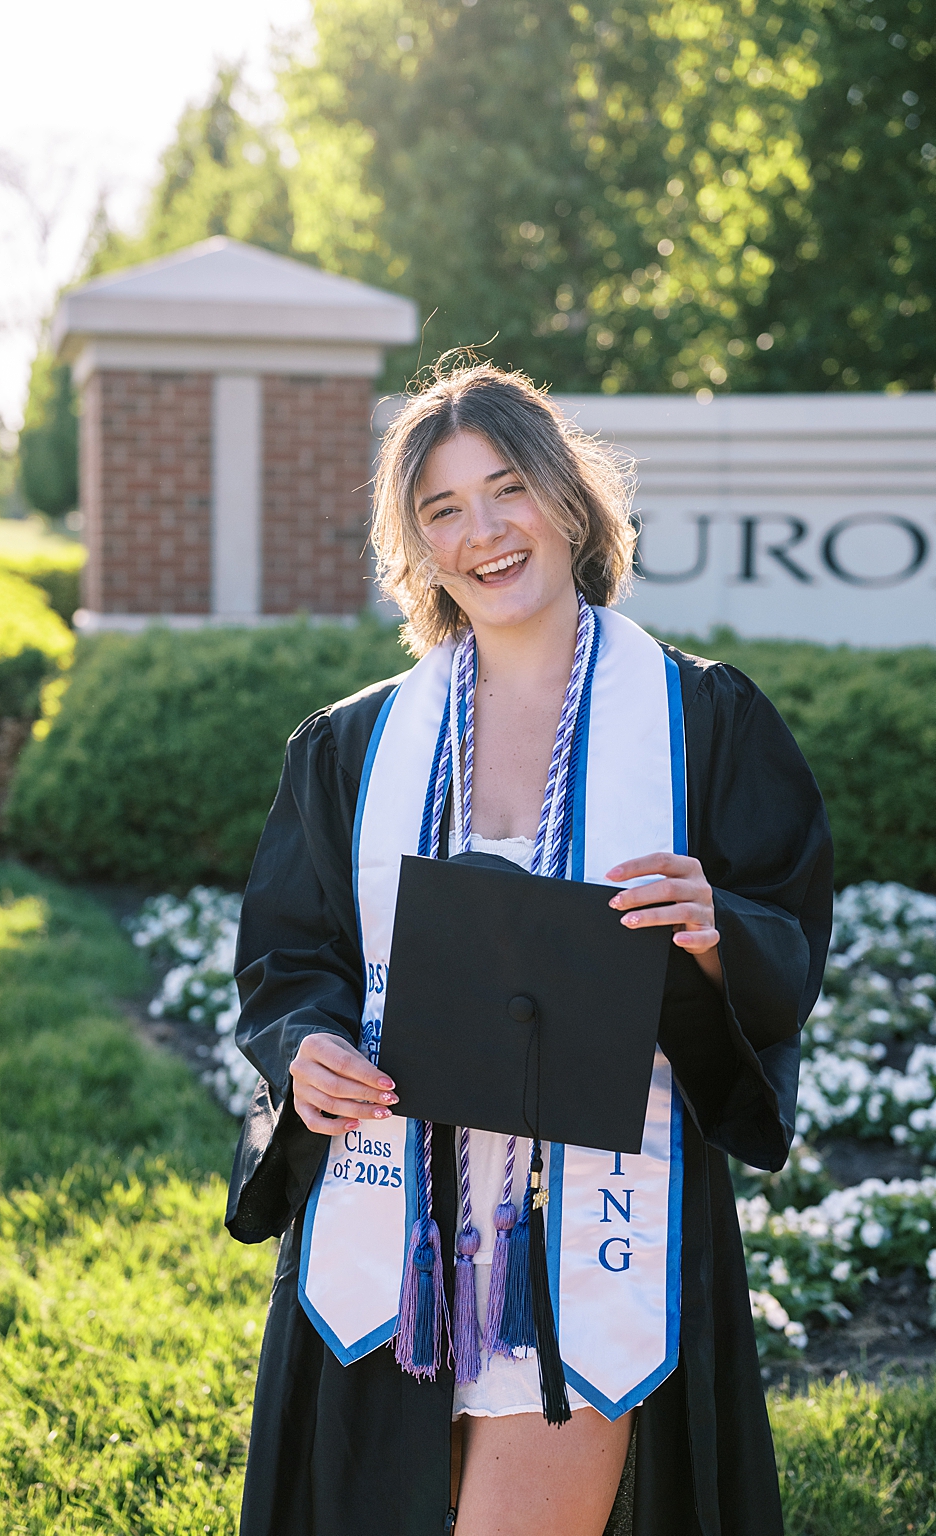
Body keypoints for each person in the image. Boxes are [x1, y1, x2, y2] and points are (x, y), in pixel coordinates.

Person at [225, 362, 831, 1535]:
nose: (481, 532)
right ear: (414, 547)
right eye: (440, 509)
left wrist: (714, 933)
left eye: (505, 490)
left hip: (586, 1241)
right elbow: (288, 962)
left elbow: (780, 937)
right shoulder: (352, 746)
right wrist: (303, 1048)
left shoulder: (696, 721)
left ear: (567, 499)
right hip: (388, 1227)